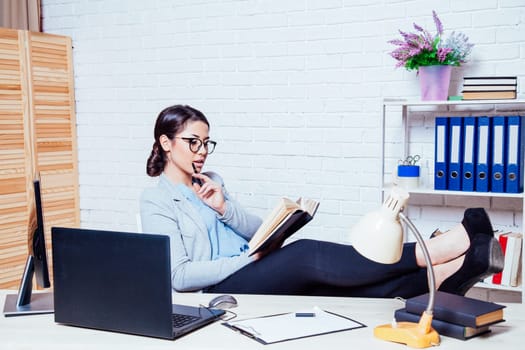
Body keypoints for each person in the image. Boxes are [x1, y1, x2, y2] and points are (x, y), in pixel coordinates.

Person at [140, 104, 504, 298]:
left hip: (251, 267)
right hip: (217, 290)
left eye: (206, 143)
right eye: (193, 142)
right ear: (166, 143)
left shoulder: (212, 183)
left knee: (330, 286)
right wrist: (246, 260)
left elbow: (254, 233)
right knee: (305, 255)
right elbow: (180, 276)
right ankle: (433, 250)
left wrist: (223, 207)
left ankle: (443, 276)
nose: (202, 151)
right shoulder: (156, 200)